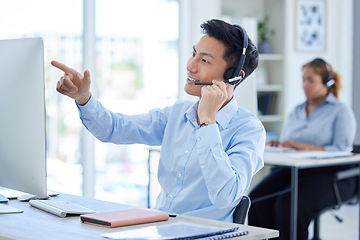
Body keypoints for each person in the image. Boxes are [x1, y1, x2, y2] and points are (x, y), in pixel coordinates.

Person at [52, 19, 266, 222]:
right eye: (193, 54)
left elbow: (225, 196)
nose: (190, 66)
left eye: (204, 60)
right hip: (161, 228)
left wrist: (208, 122)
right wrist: (83, 97)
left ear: (233, 76)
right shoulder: (177, 114)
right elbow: (114, 129)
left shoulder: (248, 130)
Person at [248, 58, 357, 240]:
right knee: (257, 199)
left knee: (288, 205)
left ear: (327, 82)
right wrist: (280, 143)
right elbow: (288, 141)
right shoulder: (297, 110)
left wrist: (303, 146)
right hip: (296, 171)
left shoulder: (340, 111)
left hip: (331, 175)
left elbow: (341, 149)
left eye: (310, 80)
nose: (305, 85)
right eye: (303, 79)